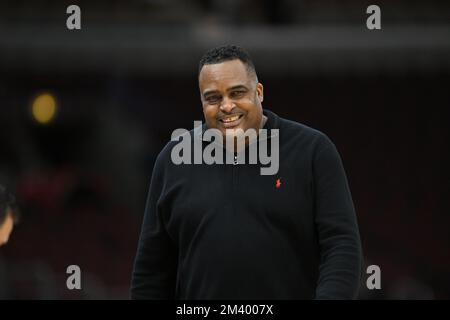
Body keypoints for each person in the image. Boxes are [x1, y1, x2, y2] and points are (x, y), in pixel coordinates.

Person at [131, 45, 362, 299]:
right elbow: (150, 272)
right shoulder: (172, 159)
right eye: (213, 97)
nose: (226, 106)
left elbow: (341, 246)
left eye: (237, 93)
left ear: (259, 92)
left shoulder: (313, 151)